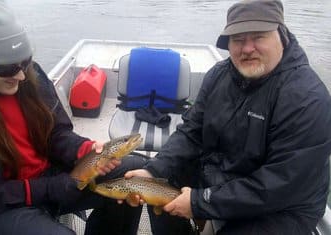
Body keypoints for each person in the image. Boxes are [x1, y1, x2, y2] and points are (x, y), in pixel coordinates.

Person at [0, 1, 145, 235]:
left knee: (133, 173)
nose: (21, 75)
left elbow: (56, 133)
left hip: (48, 181)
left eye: (24, 62)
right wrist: (47, 189)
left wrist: (83, 149)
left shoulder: (30, 78)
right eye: (8, 69)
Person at [124, 0, 331, 234]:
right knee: (159, 186)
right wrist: (154, 170)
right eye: (238, 39)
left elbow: (281, 184)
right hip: (225, 177)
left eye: (258, 37)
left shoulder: (307, 98)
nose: (247, 48)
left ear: (281, 35)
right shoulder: (218, 76)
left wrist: (198, 202)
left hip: (281, 207)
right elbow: (191, 132)